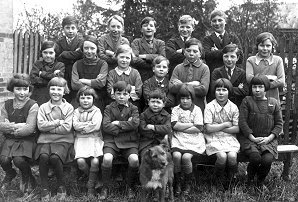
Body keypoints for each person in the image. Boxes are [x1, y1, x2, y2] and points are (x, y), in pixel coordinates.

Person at [238, 75, 283, 188]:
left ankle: (259, 181)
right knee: (255, 158)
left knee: (267, 160)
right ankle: (249, 179)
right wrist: (251, 137)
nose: (257, 90)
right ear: (251, 88)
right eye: (254, 87)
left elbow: (279, 124)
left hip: (268, 141)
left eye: (260, 87)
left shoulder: (273, 102)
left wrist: (269, 138)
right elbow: (242, 122)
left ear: (266, 88)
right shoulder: (247, 101)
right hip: (250, 139)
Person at [35, 77, 74, 201]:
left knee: (55, 157)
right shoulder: (43, 107)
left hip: (64, 140)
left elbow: (67, 128)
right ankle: (44, 187)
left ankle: (61, 186)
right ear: (49, 90)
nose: (55, 92)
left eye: (59, 89)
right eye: (53, 89)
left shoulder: (69, 108)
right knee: (44, 157)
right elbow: (41, 126)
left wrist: (49, 126)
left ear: (64, 91)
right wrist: (58, 122)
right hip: (45, 139)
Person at [100, 81, 140, 200]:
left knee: (134, 160)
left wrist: (117, 123)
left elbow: (135, 124)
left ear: (129, 95)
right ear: (114, 94)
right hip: (111, 140)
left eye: (124, 94)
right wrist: (126, 125)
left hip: (129, 141)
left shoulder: (134, 108)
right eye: (118, 94)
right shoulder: (108, 108)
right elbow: (106, 126)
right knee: (107, 159)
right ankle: (105, 187)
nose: (121, 97)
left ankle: (129, 186)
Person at [0, 74, 38, 194]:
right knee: (4, 160)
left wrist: (10, 127)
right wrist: (19, 126)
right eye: (18, 89)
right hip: (10, 140)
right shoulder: (6, 105)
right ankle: (10, 173)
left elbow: (29, 128)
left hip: (27, 140)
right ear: (12, 89)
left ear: (29, 89)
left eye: (25, 89)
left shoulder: (33, 105)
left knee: (18, 160)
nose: (22, 93)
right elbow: (1, 125)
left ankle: (28, 176)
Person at [171, 84, 206, 196]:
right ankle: (177, 182)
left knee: (186, 157)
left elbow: (199, 128)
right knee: (176, 156)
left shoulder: (197, 110)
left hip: (194, 139)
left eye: (188, 98)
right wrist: (191, 124)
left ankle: (187, 182)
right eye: (182, 98)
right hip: (178, 138)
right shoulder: (176, 109)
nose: (185, 101)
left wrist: (183, 127)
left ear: (192, 98)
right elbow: (174, 125)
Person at [204, 78, 240, 185]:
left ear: (229, 92)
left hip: (229, 138)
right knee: (222, 156)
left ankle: (231, 178)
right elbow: (208, 129)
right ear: (214, 91)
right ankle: (217, 179)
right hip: (213, 138)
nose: (220, 93)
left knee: (232, 156)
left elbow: (237, 128)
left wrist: (218, 127)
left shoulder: (233, 107)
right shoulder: (210, 107)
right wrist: (225, 125)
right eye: (218, 90)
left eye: (224, 90)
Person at [203, 10, 243, 102]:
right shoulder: (207, 39)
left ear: (225, 21)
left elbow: (240, 58)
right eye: (214, 21)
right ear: (211, 23)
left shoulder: (233, 37)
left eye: (220, 20)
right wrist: (230, 50)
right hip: (216, 77)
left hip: (233, 78)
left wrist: (216, 52)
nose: (217, 23)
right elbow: (207, 56)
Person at [73, 86, 104, 196]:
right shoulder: (76, 111)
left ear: (93, 99)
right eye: (82, 98)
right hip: (80, 140)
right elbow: (75, 125)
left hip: (94, 139)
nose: (85, 100)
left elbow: (96, 126)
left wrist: (83, 128)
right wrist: (87, 126)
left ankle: (90, 187)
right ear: (78, 99)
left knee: (95, 161)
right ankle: (95, 179)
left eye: (88, 98)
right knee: (81, 162)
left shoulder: (97, 111)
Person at [169, 38, 210, 112]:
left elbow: (203, 90)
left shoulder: (204, 68)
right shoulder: (178, 68)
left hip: (198, 108)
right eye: (188, 51)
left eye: (195, 51)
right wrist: (192, 84)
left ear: (200, 54)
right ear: (184, 52)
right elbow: (172, 88)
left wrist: (180, 85)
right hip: (179, 107)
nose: (191, 53)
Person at [246, 32, 285, 104]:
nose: (265, 48)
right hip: (255, 99)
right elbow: (249, 79)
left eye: (268, 46)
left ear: (273, 46)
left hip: (273, 98)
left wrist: (259, 81)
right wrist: (271, 78)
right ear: (257, 46)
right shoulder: (251, 60)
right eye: (262, 45)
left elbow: (281, 81)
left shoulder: (278, 60)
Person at [71, 35, 108, 112]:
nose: (89, 51)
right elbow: (74, 85)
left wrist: (83, 80)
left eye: (92, 48)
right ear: (82, 49)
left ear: (97, 49)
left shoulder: (103, 64)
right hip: (80, 99)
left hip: (97, 99)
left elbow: (101, 83)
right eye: (86, 48)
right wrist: (94, 82)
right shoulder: (77, 64)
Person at [56, 16, 84, 102]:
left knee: (77, 95)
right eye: (67, 28)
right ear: (63, 29)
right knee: (65, 95)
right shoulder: (59, 42)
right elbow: (58, 57)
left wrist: (64, 53)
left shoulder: (81, 41)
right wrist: (73, 54)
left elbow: (80, 54)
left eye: (73, 28)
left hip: (78, 71)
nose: (70, 31)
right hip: (64, 71)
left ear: (77, 29)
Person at [107, 44, 143, 109]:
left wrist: (118, 90)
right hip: (115, 107)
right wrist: (131, 89)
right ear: (116, 57)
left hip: (132, 106)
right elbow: (110, 92)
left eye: (127, 58)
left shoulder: (135, 73)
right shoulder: (112, 73)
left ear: (131, 59)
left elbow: (138, 93)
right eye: (122, 57)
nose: (124, 60)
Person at [30, 41, 65, 106]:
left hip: (54, 97)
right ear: (41, 53)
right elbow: (33, 79)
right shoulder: (37, 64)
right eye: (45, 52)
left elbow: (58, 81)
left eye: (51, 53)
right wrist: (52, 78)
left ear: (56, 53)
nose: (48, 55)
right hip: (38, 95)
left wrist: (42, 74)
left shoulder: (60, 65)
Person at [131, 16, 166, 82]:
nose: (148, 28)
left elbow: (163, 58)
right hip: (140, 76)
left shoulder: (160, 43)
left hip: (156, 77)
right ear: (141, 29)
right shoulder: (136, 42)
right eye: (145, 25)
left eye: (151, 26)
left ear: (155, 29)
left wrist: (144, 56)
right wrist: (154, 63)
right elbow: (134, 60)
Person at [139, 89, 171, 157]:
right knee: (146, 156)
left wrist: (153, 127)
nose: (155, 104)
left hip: (161, 143)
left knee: (164, 157)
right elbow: (143, 130)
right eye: (153, 102)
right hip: (146, 143)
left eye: (158, 102)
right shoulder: (143, 115)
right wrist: (160, 131)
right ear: (148, 102)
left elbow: (167, 128)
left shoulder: (167, 116)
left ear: (164, 104)